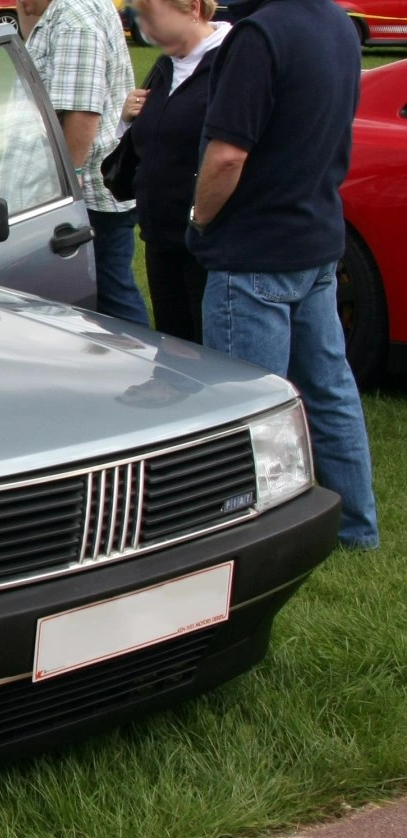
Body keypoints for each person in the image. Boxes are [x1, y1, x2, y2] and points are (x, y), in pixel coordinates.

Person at [186, 0, 379, 549]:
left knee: (248, 408)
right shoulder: (338, 24)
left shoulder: (258, 35)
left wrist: (199, 218)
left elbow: (227, 156)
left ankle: (253, 541)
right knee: (330, 391)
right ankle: (356, 527)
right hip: (315, 240)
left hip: (255, 251)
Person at [16, 0, 150, 327]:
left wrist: (67, 184)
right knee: (103, 293)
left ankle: (140, 357)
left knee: (110, 298)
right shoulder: (69, 11)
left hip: (85, 195)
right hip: (89, 190)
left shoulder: (75, 18)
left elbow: (83, 113)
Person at [116, 0, 229, 343]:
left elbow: (230, 152)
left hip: (206, 243)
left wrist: (200, 220)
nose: (147, 29)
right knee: (171, 343)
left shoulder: (230, 62)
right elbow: (147, 142)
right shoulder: (167, 64)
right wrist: (128, 118)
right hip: (159, 237)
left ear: (192, 9)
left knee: (208, 349)